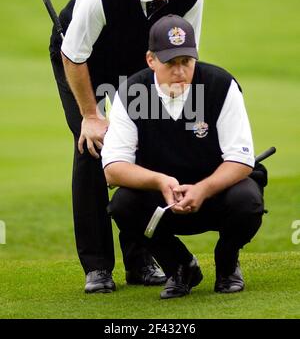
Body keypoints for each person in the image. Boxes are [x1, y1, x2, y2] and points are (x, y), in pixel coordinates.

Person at [49, 0, 204, 293]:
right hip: (84, 62)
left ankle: (140, 261)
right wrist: (91, 115)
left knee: (145, 147)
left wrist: (173, 112)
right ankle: (98, 267)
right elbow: (74, 56)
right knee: (95, 147)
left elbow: (183, 57)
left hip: (141, 63)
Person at [102, 15, 267, 299]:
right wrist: (161, 181)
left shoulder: (221, 85)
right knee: (123, 205)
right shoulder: (130, 93)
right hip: (161, 202)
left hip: (216, 195)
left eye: (186, 61)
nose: (179, 71)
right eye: (170, 63)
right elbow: (113, 169)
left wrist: (203, 189)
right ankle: (180, 266)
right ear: (151, 60)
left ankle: (227, 262)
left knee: (247, 200)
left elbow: (241, 160)